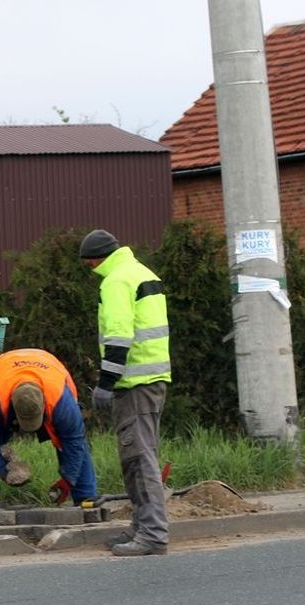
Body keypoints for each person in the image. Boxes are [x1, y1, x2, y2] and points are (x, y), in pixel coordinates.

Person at [80, 228, 171, 556]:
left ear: (94, 260)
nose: (89, 270)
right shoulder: (142, 272)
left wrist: (106, 383)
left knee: (139, 458)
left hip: (134, 384)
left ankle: (152, 533)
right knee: (140, 455)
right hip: (152, 379)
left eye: (88, 264)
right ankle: (143, 525)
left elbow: (119, 336)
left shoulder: (116, 280)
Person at [0, 348, 98, 516]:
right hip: (2, 370)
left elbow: (74, 441)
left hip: (49, 370)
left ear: (44, 407)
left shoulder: (61, 402)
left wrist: (68, 480)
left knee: (74, 445)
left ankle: (85, 498)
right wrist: (4, 471)